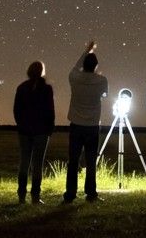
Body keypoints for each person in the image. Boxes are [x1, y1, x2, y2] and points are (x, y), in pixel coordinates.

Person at [63, 40, 107, 203]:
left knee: (73, 160)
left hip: (76, 125)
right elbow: (104, 95)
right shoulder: (102, 81)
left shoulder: (74, 77)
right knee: (90, 161)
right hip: (93, 126)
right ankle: (91, 192)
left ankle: (70, 193)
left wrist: (86, 50)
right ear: (96, 65)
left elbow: (75, 67)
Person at [14, 60, 55, 204]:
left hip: (25, 131)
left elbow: (16, 110)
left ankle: (21, 195)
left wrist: (21, 125)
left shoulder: (22, 88)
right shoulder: (47, 89)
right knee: (37, 164)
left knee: (24, 162)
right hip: (41, 131)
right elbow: (50, 110)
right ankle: (35, 196)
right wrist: (50, 129)